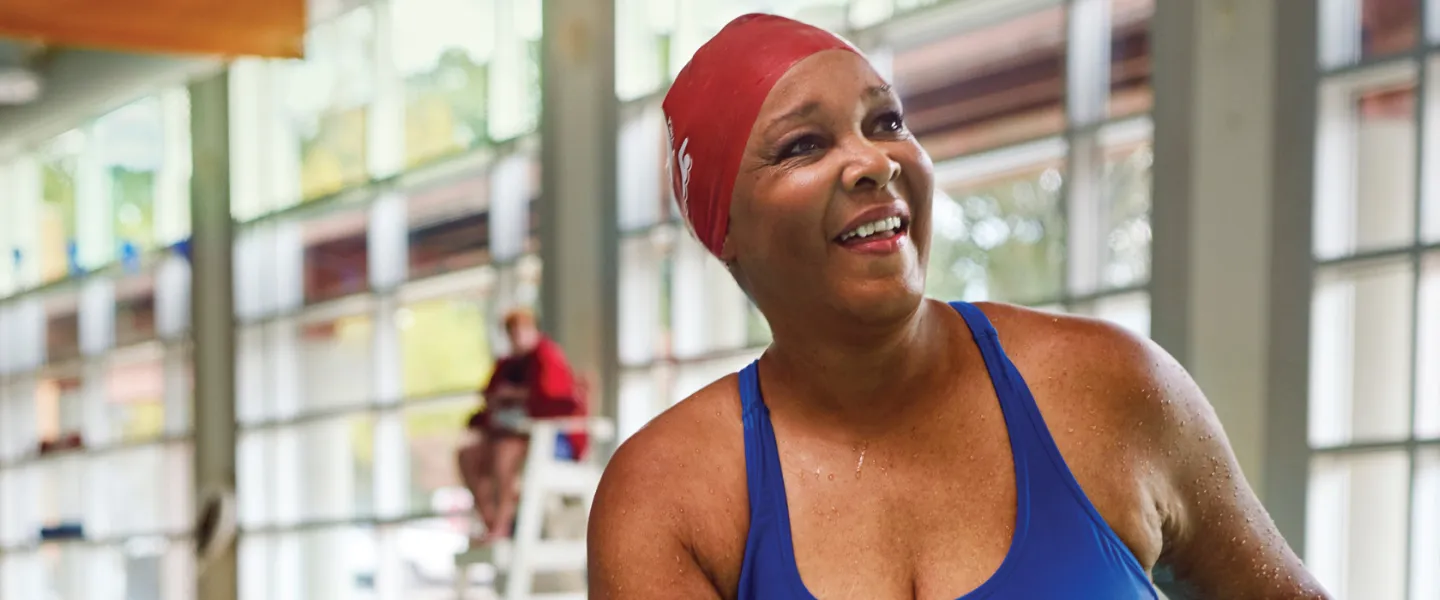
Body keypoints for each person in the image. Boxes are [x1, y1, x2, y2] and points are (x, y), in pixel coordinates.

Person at [588, 13, 1330, 600]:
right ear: (726, 232)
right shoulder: (671, 496)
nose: (876, 161)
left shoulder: (1109, 387)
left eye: (886, 123)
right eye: (804, 145)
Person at [457, 308, 587, 543]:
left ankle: (501, 525)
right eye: (512, 333)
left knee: (505, 452)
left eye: (521, 331)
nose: (517, 337)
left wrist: (517, 395)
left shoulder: (548, 357)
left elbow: (556, 401)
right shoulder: (507, 365)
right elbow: (488, 399)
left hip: (552, 440)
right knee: (468, 455)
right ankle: (490, 520)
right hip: (510, 436)